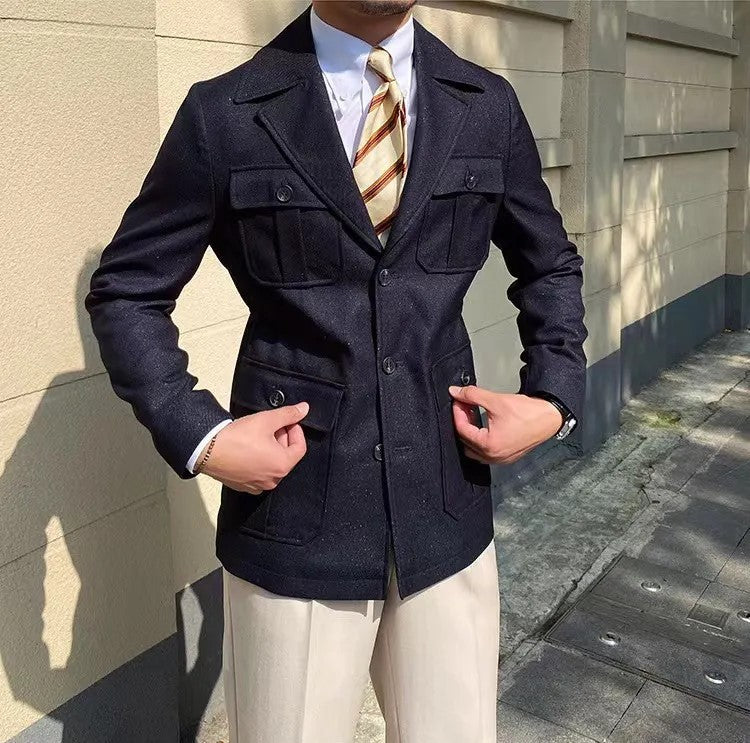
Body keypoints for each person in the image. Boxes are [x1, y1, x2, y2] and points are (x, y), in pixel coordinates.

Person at [85, 2, 587, 741]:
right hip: (296, 517)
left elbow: (549, 264)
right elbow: (128, 290)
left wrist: (553, 395)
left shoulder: (485, 106)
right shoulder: (227, 113)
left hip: (444, 507)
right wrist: (202, 436)